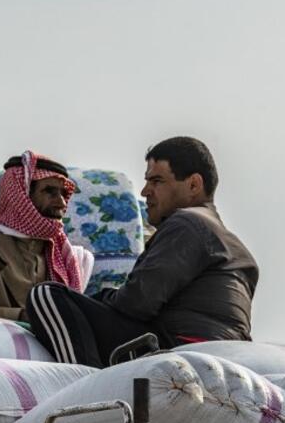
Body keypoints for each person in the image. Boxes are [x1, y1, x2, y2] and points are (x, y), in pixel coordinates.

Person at [26, 136, 258, 367]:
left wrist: (100, 298)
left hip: (174, 349)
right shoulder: (235, 246)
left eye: (157, 181)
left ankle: (84, 385)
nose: (145, 191)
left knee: (46, 295)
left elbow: (136, 303)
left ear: (193, 185)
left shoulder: (187, 223)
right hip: (210, 348)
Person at [0, 151, 94, 322]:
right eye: (50, 192)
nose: (62, 203)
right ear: (21, 198)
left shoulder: (66, 259)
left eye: (63, 194)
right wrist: (26, 317)